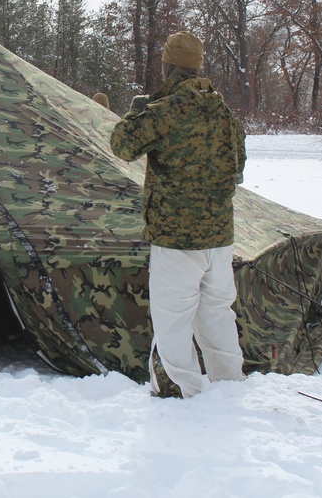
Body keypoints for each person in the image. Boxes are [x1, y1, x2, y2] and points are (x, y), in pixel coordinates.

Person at [109, 31, 247, 398]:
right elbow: (239, 165)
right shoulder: (222, 111)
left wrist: (137, 111)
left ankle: (178, 391)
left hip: (176, 238)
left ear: (167, 66)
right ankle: (229, 384)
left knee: (173, 319)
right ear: (198, 66)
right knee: (218, 313)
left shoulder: (164, 111)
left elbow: (122, 145)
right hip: (219, 236)